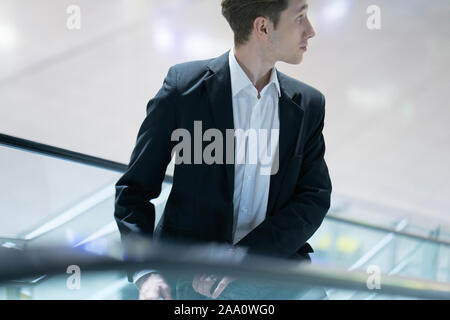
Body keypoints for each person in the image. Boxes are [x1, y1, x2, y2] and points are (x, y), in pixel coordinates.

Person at [114, 0, 332, 300]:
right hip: (191, 278)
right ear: (263, 27)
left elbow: (314, 198)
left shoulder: (308, 105)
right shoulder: (184, 90)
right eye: (300, 18)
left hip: (271, 267)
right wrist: (146, 274)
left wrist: (245, 255)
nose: (311, 30)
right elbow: (134, 190)